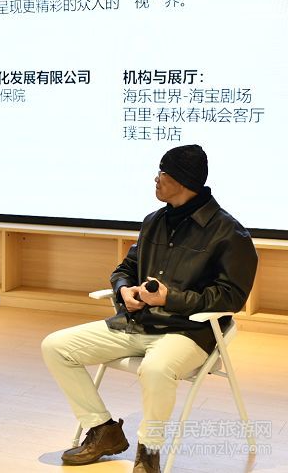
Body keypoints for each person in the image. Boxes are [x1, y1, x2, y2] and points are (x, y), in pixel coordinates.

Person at [41, 145, 257, 473]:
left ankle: (149, 449)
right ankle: (103, 430)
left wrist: (170, 299)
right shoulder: (154, 221)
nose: (156, 179)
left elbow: (231, 297)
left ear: (183, 181)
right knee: (56, 346)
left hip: (189, 332)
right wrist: (123, 290)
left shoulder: (229, 232)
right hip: (138, 322)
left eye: (162, 173)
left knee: (155, 369)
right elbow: (125, 269)